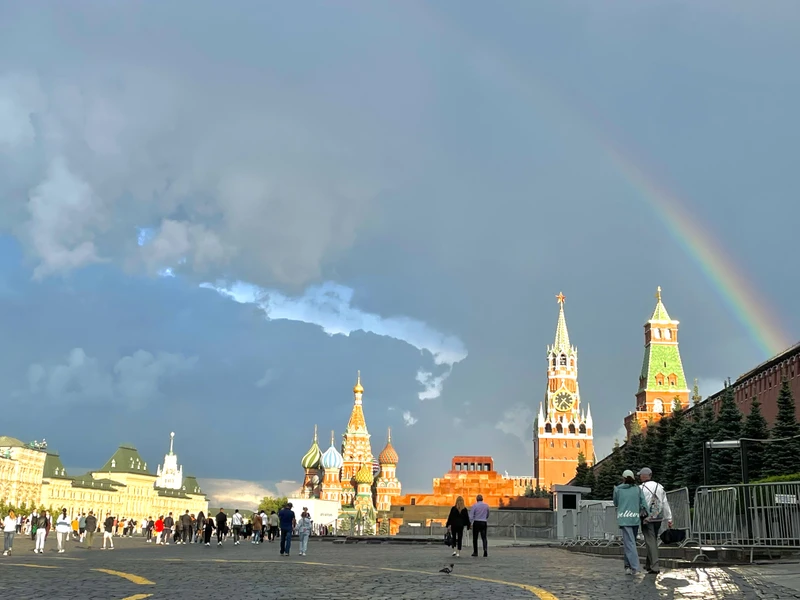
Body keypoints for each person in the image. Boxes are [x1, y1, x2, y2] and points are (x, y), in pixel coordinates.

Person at [613, 469, 648, 576]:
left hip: (624, 518)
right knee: (630, 543)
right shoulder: (637, 489)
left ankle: (633, 567)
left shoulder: (618, 489)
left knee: (629, 543)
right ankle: (630, 567)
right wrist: (648, 515)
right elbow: (644, 503)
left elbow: (615, 503)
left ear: (623, 478)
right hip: (635, 519)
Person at [638, 467, 672, 574]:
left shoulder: (640, 488)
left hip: (646, 517)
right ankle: (648, 564)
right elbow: (665, 503)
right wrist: (669, 518)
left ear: (643, 476)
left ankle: (655, 566)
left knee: (650, 540)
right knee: (652, 540)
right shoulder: (659, 487)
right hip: (658, 516)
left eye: (640, 475)